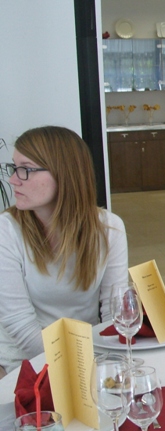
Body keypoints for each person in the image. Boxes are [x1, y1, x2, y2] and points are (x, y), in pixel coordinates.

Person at [0, 126, 128, 376]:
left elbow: (113, 312)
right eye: (14, 168)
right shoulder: (7, 230)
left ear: (64, 174)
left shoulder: (109, 228)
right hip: (23, 362)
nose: (13, 180)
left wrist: (108, 363)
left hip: (89, 352)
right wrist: (78, 368)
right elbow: (20, 325)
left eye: (25, 169)